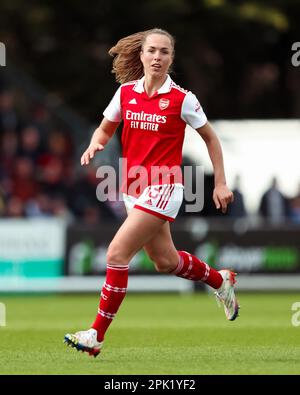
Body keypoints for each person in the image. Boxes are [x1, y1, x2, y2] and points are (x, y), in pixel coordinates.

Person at [64, 28, 238, 357]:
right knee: (165, 261)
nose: (157, 57)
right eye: (152, 51)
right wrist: (95, 143)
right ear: (142, 56)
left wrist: (220, 182)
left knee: (116, 254)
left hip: (164, 186)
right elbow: (105, 128)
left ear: (171, 59)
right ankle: (220, 280)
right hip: (133, 189)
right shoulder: (125, 93)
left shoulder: (182, 99)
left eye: (164, 52)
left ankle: (95, 336)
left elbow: (211, 139)